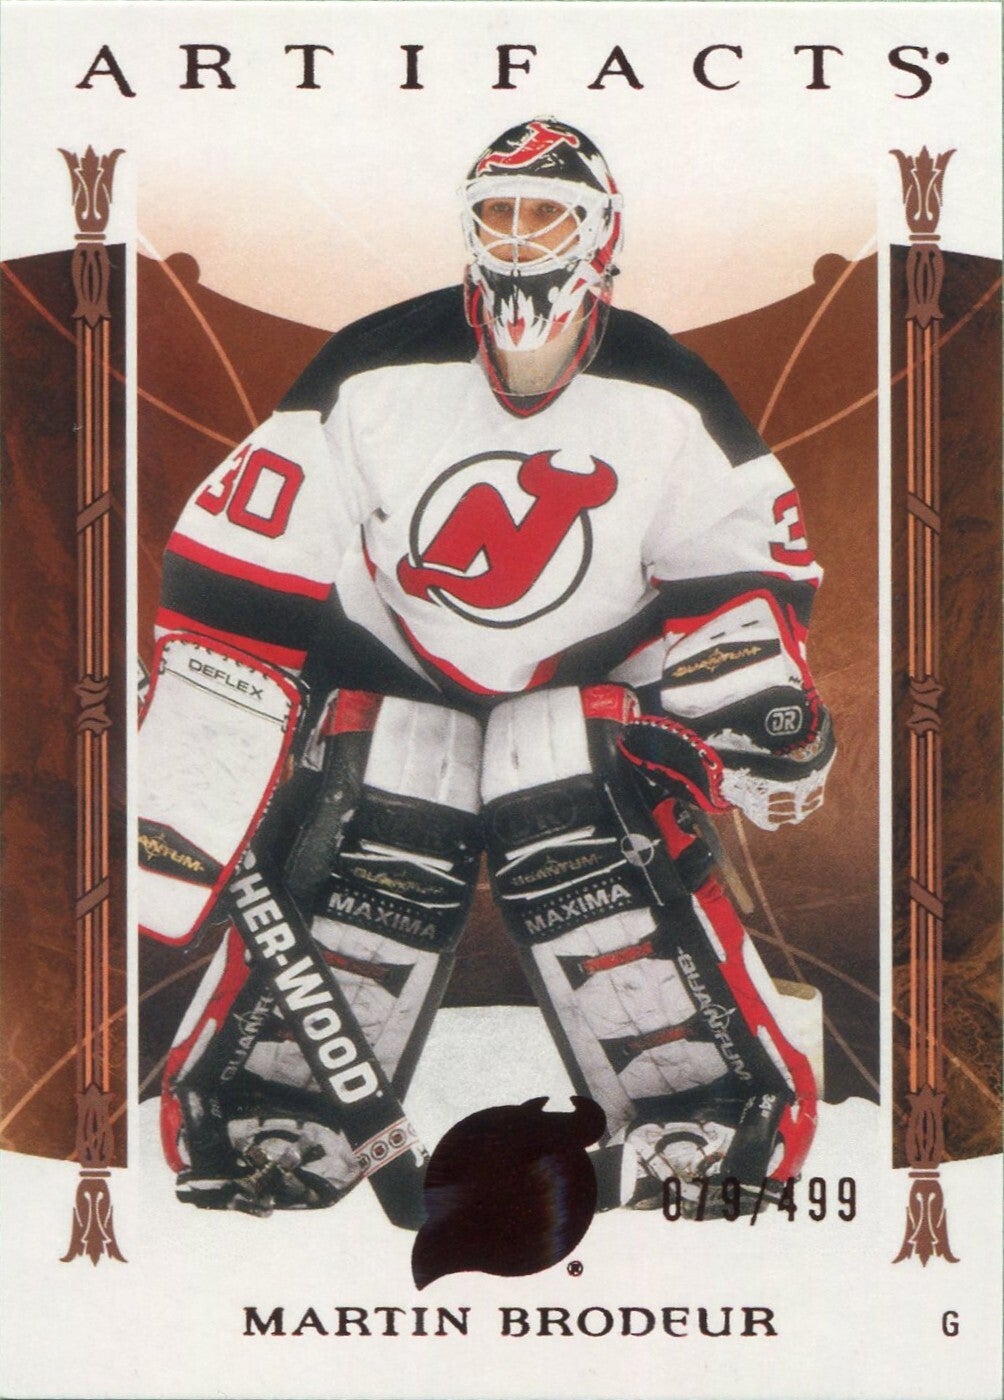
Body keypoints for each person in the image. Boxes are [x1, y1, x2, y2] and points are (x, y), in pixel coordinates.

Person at [144, 117, 835, 1218]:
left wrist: (756, 706)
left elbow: (735, 567)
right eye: (497, 214)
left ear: (601, 233)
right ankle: (268, 1115)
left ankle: (707, 1109)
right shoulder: (375, 361)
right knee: (388, 781)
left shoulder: (667, 386)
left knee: (559, 773)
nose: (518, 239)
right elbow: (253, 538)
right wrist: (209, 702)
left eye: (545, 215)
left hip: (588, 677)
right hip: (388, 660)